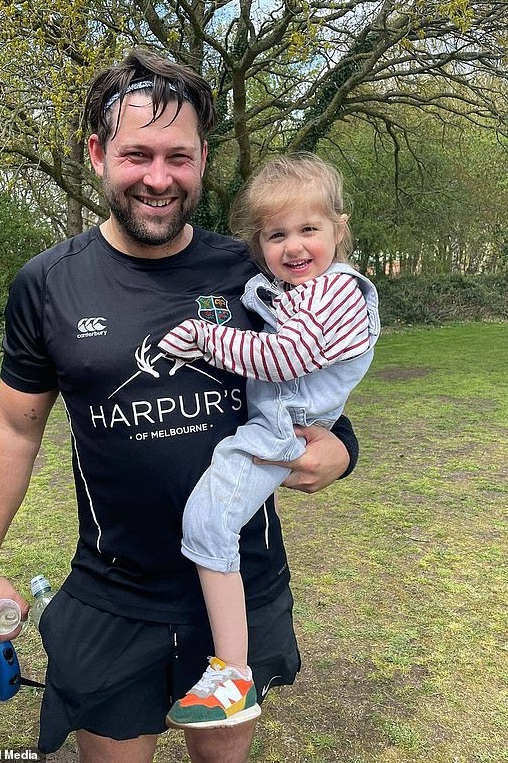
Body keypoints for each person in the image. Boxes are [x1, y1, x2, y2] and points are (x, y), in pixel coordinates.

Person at [0, 49, 360, 763]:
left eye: (179, 156)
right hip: (117, 594)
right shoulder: (47, 284)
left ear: (203, 158)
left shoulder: (250, 268)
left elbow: (311, 374)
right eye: (136, 153)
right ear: (96, 154)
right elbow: (15, 426)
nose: (158, 177)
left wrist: (345, 446)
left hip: (241, 581)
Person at [158, 154, 380, 729]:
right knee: (209, 525)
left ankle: (233, 673)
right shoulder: (297, 290)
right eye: (276, 234)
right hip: (279, 422)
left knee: (207, 524)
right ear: (258, 242)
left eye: (309, 229)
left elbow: (287, 359)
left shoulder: (329, 292)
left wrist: (208, 338)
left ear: (339, 228)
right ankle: (233, 670)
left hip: (280, 426)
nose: (293, 246)